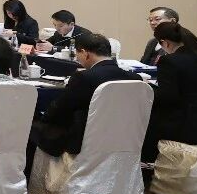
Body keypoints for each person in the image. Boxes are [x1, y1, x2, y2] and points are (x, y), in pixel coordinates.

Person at [28, 32, 137, 164]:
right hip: (123, 140)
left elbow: (60, 109)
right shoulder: (135, 78)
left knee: (31, 126)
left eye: (77, 54)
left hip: (83, 141)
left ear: (85, 54)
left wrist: (43, 118)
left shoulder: (84, 78)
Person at [142, 21, 197, 163]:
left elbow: (168, 98)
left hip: (188, 129)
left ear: (165, 43)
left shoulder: (170, 61)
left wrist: (148, 88)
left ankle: (146, 165)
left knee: (145, 119)